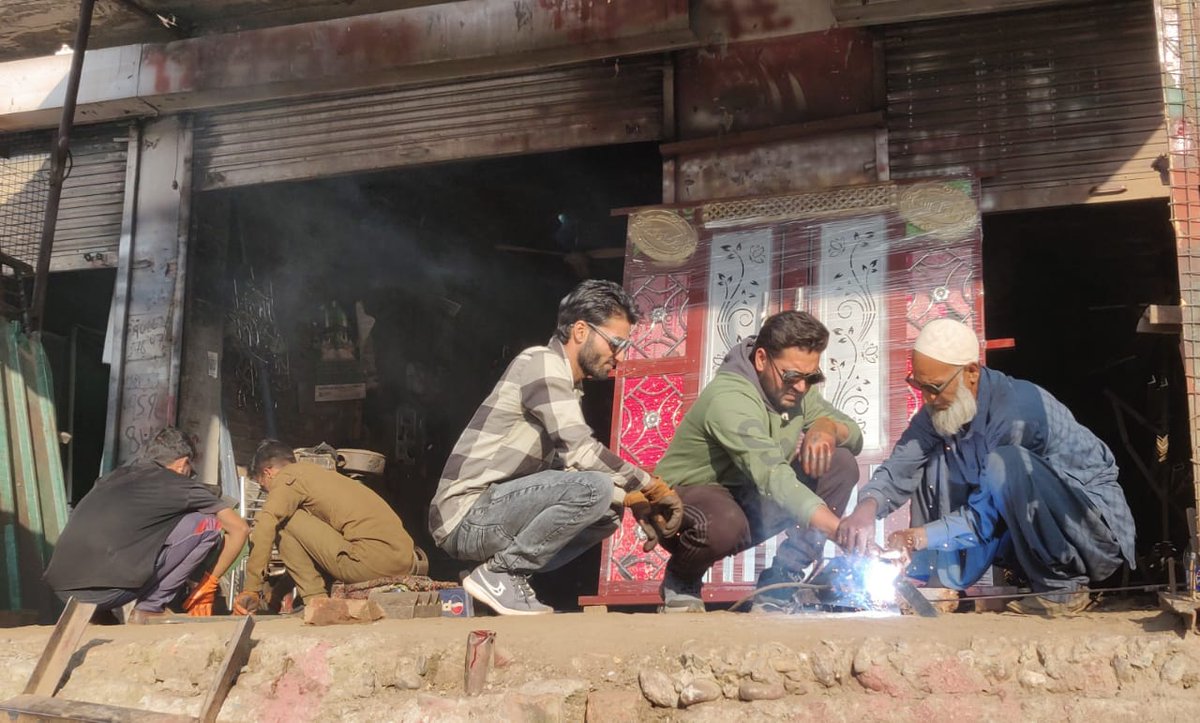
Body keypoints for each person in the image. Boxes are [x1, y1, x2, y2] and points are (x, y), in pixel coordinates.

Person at [837, 318, 1136, 615]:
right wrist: (867, 507)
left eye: (935, 388)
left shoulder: (1016, 413)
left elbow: (984, 516)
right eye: (919, 386)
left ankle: (1063, 590)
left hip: (1089, 535)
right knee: (932, 457)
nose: (927, 398)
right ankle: (939, 582)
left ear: (971, 372)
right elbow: (903, 462)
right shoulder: (936, 408)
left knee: (1005, 464)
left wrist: (916, 537)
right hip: (1017, 532)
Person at [430, 279, 683, 615]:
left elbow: (568, 469)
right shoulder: (541, 362)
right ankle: (501, 573)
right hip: (465, 515)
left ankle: (502, 574)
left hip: (491, 513)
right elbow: (581, 453)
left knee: (608, 511)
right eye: (616, 343)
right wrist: (650, 487)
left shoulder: (567, 385)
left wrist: (630, 499)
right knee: (596, 488)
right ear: (580, 331)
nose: (620, 357)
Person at [653, 310, 863, 612]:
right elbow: (773, 476)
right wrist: (840, 532)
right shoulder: (729, 398)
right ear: (762, 359)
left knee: (840, 463)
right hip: (684, 506)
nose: (801, 387)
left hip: (748, 495)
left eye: (811, 378)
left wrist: (827, 427)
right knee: (726, 522)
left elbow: (854, 436)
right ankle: (682, 578)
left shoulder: (799, 392)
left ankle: (781, 580)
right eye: (792, 376)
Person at [44, 427, 250, 624]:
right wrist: (209, 584)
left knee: (125, 536)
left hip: (64, 590)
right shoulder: (179, 484)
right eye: (190, 470)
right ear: (183, 464)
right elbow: (239, 529)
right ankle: (150, 608)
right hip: (110, 592)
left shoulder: (110, 479)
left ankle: (98, 616)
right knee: (207, 524)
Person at [235, 440, 418, 613]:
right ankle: (313, 598)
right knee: (290, 520)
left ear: (268, 472)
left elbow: (266, 524)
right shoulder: (318, 475)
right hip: (402, 560)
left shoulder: (287, 477)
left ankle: (316, 601)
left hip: (368, 562)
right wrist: (277, 594)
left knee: (280, 521)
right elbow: (313, 554)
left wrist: (251, 588)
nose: (267, 491)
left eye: (263, 486)